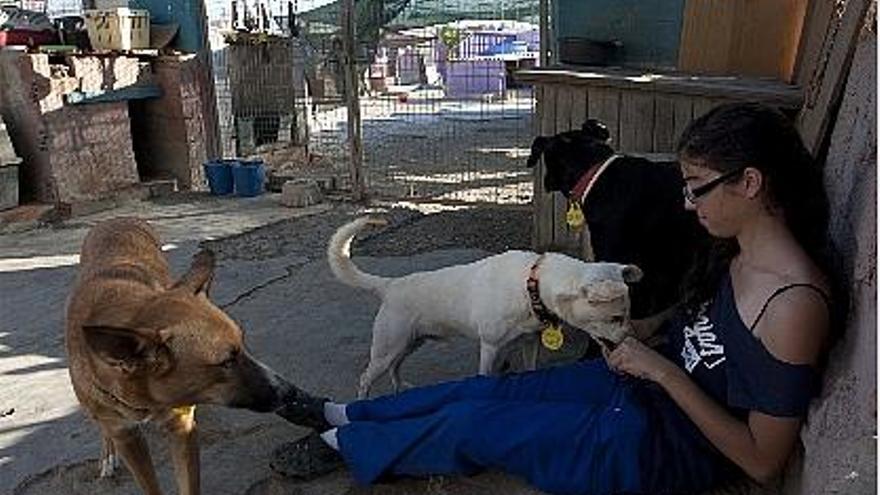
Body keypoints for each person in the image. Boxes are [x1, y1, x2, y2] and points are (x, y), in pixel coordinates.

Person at [270, 102, 833, 495]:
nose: (687, 204)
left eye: (697, 189)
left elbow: (762, 460)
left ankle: (343, 445)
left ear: (752, 183)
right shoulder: (735, 251)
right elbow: (698, 331)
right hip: (636, 387)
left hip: (651, 443)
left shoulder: (792, 304)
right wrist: (641, 331)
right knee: (486, 391)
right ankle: (342, 412)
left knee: (478, 426)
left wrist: (662, 373)